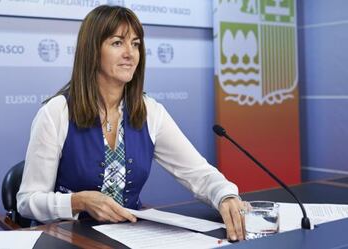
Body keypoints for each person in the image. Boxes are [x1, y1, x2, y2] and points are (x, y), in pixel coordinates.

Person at [17, 5, 246, 241]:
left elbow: (198, 173)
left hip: (129, 238)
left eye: (135, 44)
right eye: (118, 43)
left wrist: (225, 195)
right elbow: (27, 201)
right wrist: (78, 201)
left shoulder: (150, 111)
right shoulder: (57, 112)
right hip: (66, 238)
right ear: (92, 51)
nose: (130, 53)